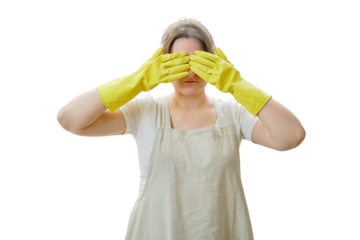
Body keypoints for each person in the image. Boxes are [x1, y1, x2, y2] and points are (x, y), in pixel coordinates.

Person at [56, 15, 306, 240]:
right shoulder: (145, 109)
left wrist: (238, 84)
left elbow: (292, 137)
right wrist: (137, 79)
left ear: (215, 62)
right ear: (162, 64)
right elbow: (69, 120)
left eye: (198, 61)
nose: (189, 71)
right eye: (178, 61)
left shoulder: (234, 112)